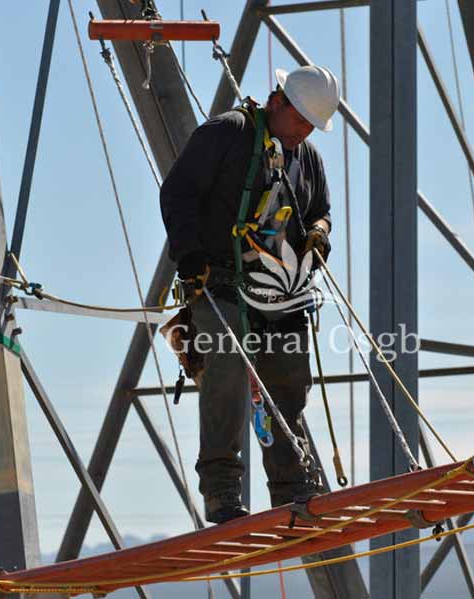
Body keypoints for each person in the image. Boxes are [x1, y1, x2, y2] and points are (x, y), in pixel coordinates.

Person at [160, 65, 340, 524]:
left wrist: (318, 234)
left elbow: (320, 211)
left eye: (310, 126)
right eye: (300, 120)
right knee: (227, 376)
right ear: (276, 100)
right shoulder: (228, 134)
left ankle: (292, 490)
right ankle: (222, 493)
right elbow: (178, 192)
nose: (303, 132)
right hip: (223, 283)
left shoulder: (307, 159)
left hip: (282, 293)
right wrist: (190, 256)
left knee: (289, 385)